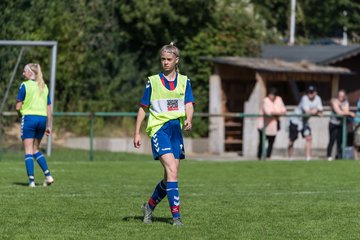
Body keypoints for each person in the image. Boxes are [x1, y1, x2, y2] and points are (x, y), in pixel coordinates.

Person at [133, 42, 195, 226]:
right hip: (159, 129)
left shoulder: (185, 81)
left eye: (169, 59)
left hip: (176, 129)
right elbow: (143, 108)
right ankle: (176, 218)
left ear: (177, 60)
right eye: (163, 59)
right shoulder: (152, 81)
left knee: (170, 176)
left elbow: (189, 104)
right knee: (173, 171)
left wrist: (189, 119)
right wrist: (136, 132)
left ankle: (149, 207)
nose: (165, 62)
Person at [16, 63, 54, 187]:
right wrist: (49, 125)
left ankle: (31, 182)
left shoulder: (24, 85)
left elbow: (18, 106)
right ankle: (48, 176)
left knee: (28, 151)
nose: (23, 74)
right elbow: (49, 109)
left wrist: (19, 113)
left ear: (30, 73)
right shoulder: (44, 86)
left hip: (29, 119)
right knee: (35, 149)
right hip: (42, 120)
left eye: (24, 71)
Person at [288, 86, 323, 161]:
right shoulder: (304, 98)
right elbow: (307, 111)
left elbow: (321, 110)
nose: (310, 94)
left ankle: (308, 158)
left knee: (309, 138)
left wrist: (315, 111)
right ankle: (290, 158)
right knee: (292, 140)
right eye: (308, 92)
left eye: (312, 92)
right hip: (295, 120)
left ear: (315, 93)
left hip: (304, 122)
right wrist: (316, 111)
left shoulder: (318, 98)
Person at [257, 88, 286, 159]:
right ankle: (259, 157)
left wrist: (276, 113)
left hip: (274, 125)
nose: (271, 96)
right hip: (263, 125)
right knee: (262, 142)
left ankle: (268, 156)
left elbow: (283, 110)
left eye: (272, 94)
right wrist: (278, 113)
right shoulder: (265, 100)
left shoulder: (279, 99)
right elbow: (268, 112)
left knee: (271, 142)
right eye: (270, 94)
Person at [326, 90, 355, 161]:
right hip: (333, 124)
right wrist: (349, 113)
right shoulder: (334, 101)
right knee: (332, 140)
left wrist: (346, 111)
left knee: (340, 142)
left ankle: (338, 156)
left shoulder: (346, 102)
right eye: (339, 95)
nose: (341, 97)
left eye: (342, 96)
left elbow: (346, 111)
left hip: (341, 124)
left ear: (344, 96)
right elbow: (339, 112)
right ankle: (329, 156)